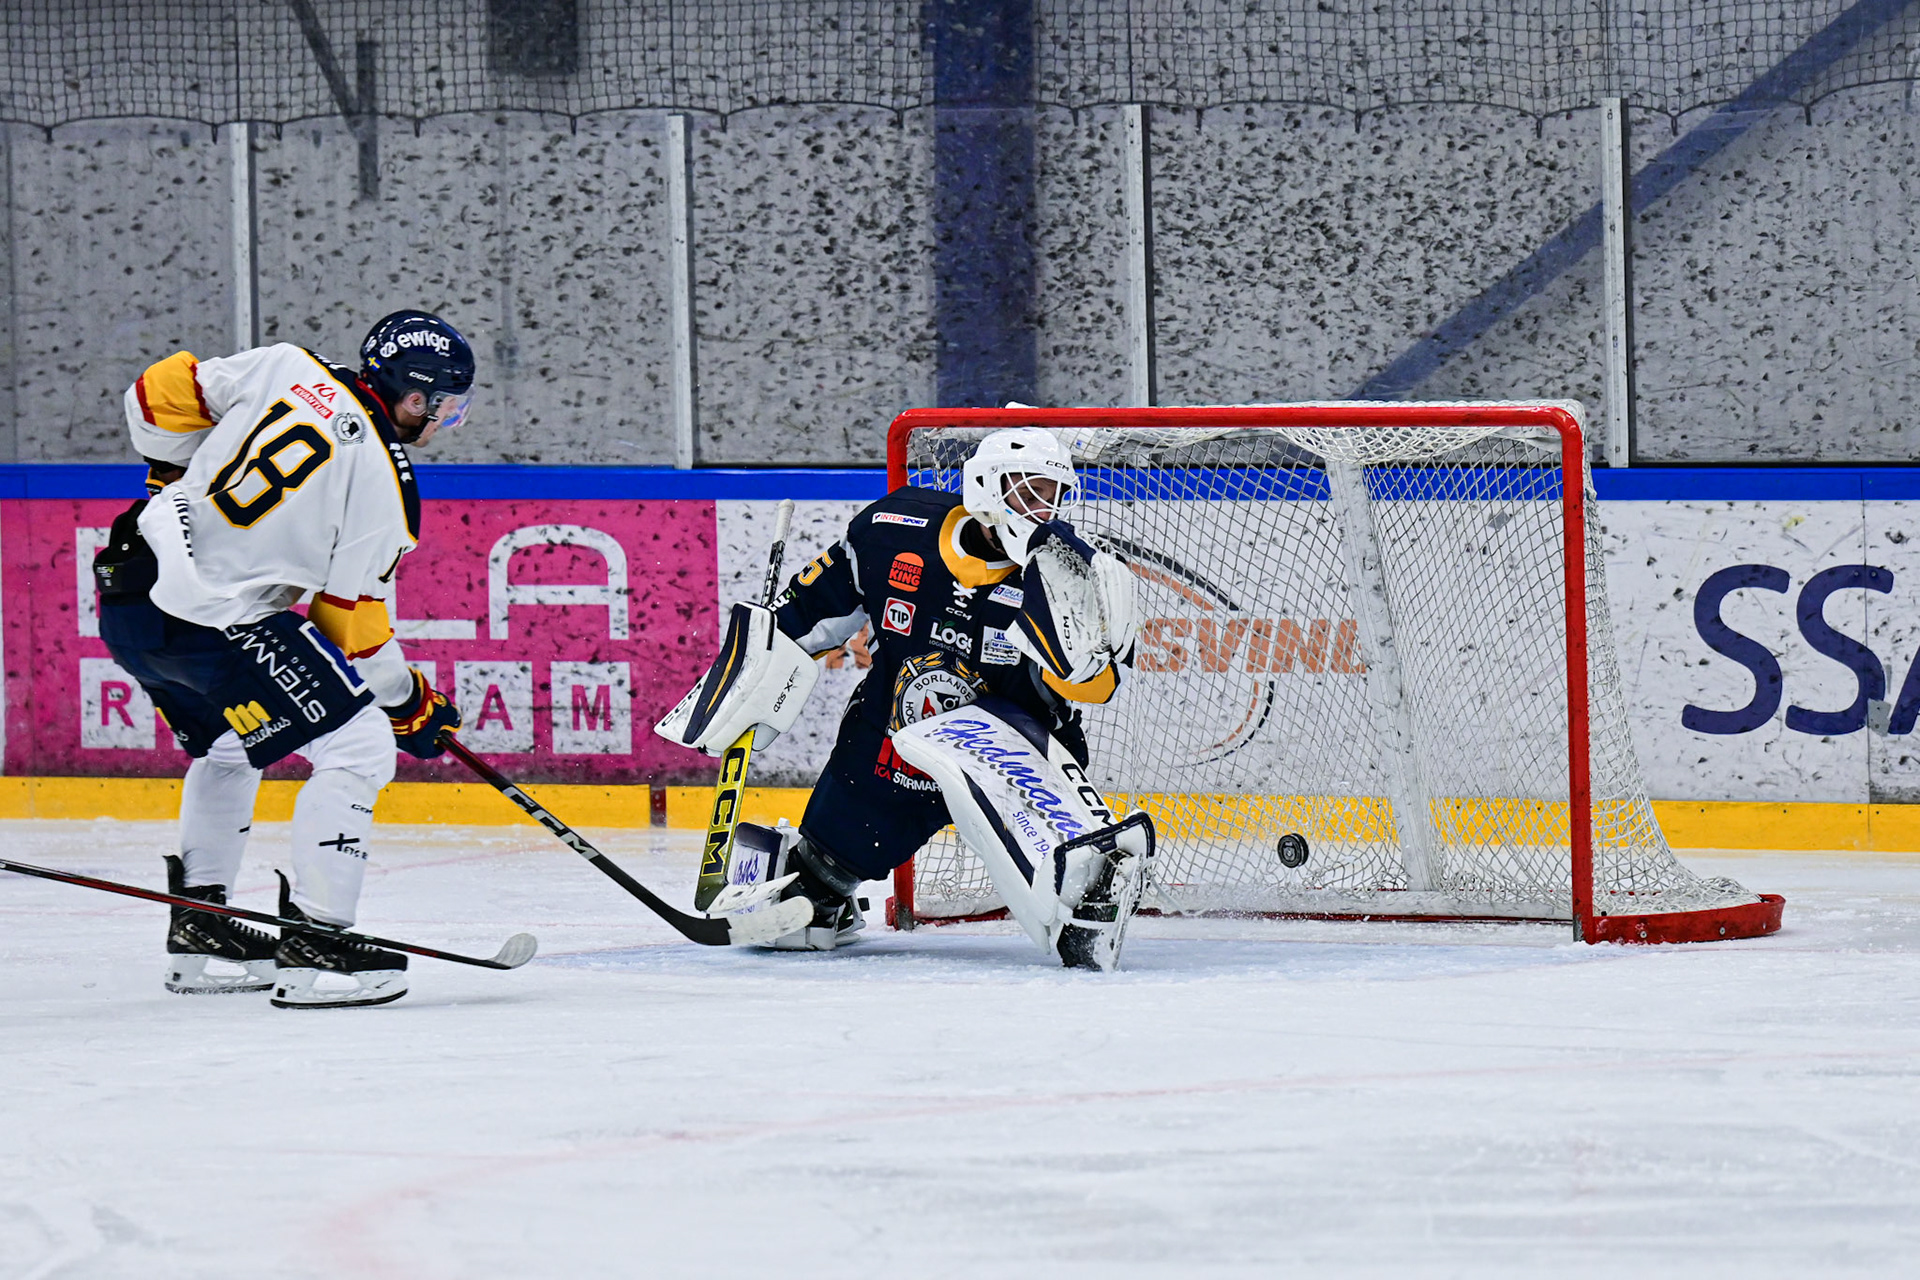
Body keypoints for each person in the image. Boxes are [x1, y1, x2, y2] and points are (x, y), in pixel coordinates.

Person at [657, 427, 1154, 969]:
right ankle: (819, 886)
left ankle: (1086, 891)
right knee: (809, 904)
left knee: (1074, 897)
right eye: (1026, 490)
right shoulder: (893, 530)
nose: (1041, 509)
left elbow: (1096, 688)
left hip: (1014, 751)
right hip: (893, 737)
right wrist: (753, 665)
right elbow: (806, 615)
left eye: (1051, 495)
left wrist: (1086, 654)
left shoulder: (1066, 572)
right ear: (986, 488)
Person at [94, 311, 471, 1008]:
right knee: (359, 745)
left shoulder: (287, 365)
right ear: (413, 396)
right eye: (444, 405)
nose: (444, 420)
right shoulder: (385, 484)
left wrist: (178, 466)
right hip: (211, 614)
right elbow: (348, 622)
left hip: (129, 591)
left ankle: (202, 930)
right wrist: (408, 704)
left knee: (229, 746)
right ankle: (318, 943)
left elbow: (155, 391)